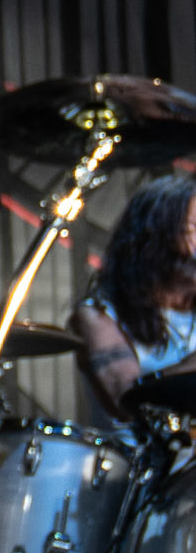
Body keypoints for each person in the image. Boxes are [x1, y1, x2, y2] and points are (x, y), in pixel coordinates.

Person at [71, 175, 196, 416]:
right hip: (138, 441)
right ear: (152, 239)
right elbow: (125, 400)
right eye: (192, 229)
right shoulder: (99, 315)